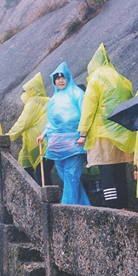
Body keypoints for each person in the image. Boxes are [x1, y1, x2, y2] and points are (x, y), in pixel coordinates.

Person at [77, 43, 135, 209]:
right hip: (123, 134)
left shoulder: (96, 78)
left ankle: (112, 209)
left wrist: (83, 133)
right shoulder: (122, 79)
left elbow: (88, 108)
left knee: (106, 173)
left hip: (103, 134)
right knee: (120, 172)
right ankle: (124, 207)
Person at [40, 62, 90, 205]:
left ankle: (68, 206)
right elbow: (52, 121)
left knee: (71, 175)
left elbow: (85, 114)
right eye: (57, 78)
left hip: (74, 141)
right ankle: (82, 205)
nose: (60, 80)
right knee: (64, 175)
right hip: (57, 143)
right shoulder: (54, 99)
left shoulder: (77, 93)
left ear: (68, 78)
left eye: (62, 77)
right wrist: (44, 133)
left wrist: (83, 135)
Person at [6, 73, 50, 182]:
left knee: (42, 175)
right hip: (45, 141)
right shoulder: (46, 100)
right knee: (31, 169)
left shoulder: (34, 101)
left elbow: (23, 122)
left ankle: (44, 198)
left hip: (41, 143)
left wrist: (7, 137)